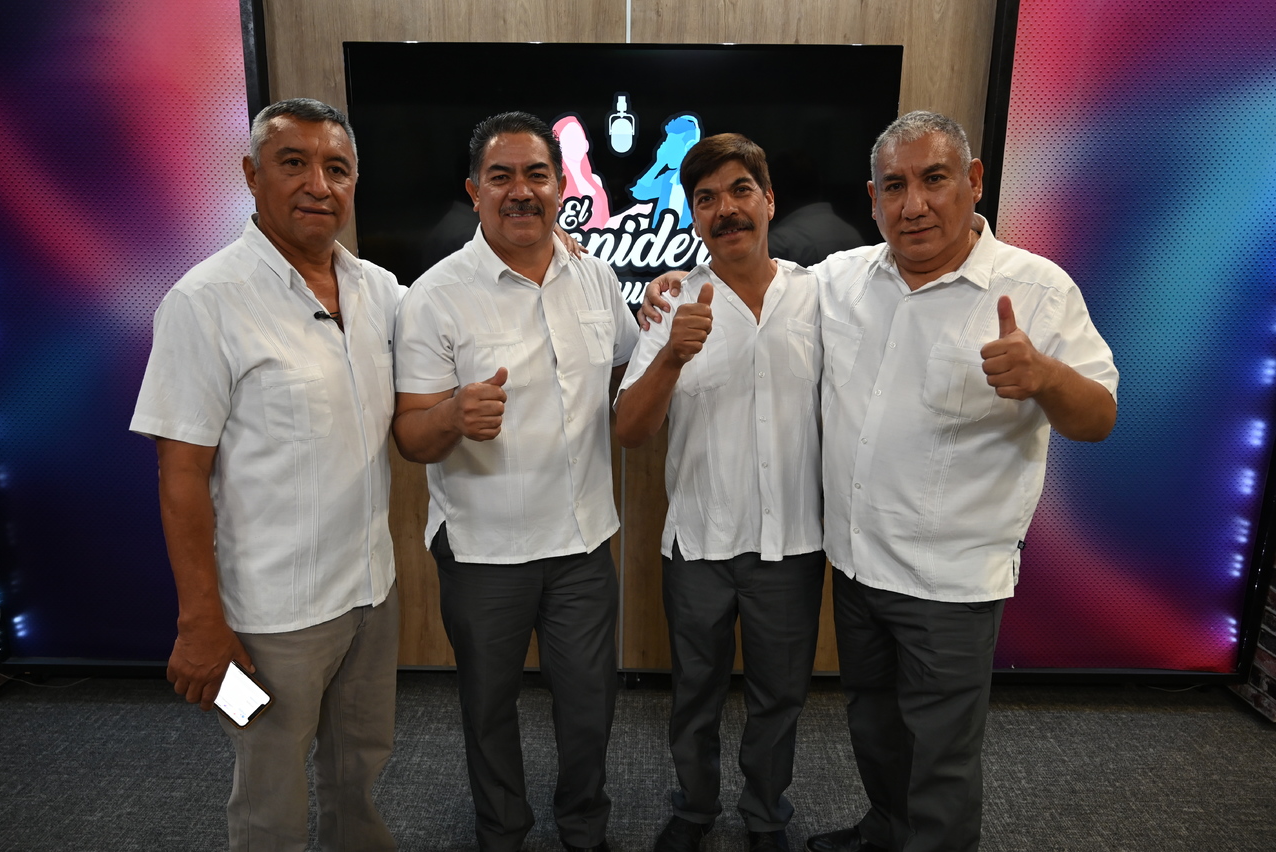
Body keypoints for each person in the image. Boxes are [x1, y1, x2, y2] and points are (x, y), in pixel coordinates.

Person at [642, 111, 1118, 852]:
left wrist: (1046, 377)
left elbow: (1099, 417)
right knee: (873, 724)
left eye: (934, 179)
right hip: (858, 566)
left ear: (974, 181)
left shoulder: (1035, 288)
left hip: (951, 577)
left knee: (941, 756)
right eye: (895, 186)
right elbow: (747, 280)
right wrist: (668, 281)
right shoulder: (844, 279)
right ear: (873, 198)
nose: (914, 204)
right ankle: (884, 828)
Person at [130, 98, 402, 852]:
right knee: (268, 790)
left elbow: (458, 322)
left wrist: (560, 250)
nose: (318, 184)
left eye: (336, 168)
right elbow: (180, 474)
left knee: (361, 769)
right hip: (265, 621)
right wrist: (199, 624)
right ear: (252, 176)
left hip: (371, 596)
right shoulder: (203, 301)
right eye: (294, 163)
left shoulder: (380, 291)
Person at [391, 111, 639, 852]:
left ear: (563, 186)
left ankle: (584, 829)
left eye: (536, 175)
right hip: (483, 549)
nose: (521, 191)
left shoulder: (595, 277)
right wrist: (453, 415)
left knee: (590, 708)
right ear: (475, 191)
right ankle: (501, 833)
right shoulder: (435, 295)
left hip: (583, 543)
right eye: (501, 177)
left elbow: (623, 369)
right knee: (489, 708)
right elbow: (410, 435)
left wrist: (664, 301)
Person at [614, 134, 824, 852]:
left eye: (740, 191)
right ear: (694, 215)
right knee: (695, 692)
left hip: (792, 541)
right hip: (699, 540)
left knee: (779, 696)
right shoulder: (671, 305)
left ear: (769, 201)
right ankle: (695, 808)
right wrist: (673, 354)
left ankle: (766, 815)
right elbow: (630, 429)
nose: (725, 209)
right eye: (706, 199)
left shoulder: (820, 296)